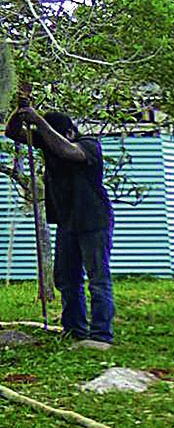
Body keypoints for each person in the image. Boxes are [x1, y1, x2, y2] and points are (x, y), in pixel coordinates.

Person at [6, 97, 115, 348]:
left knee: (97, 278)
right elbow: (12, 132)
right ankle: (74, 329)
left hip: (93, 220)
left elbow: (68, 151)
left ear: (69, 132)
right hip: (68, 222)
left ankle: (100, 335)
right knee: (66, 278)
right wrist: (21, 112)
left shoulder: (88, 145)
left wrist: (39, 122)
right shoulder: (49, 144)